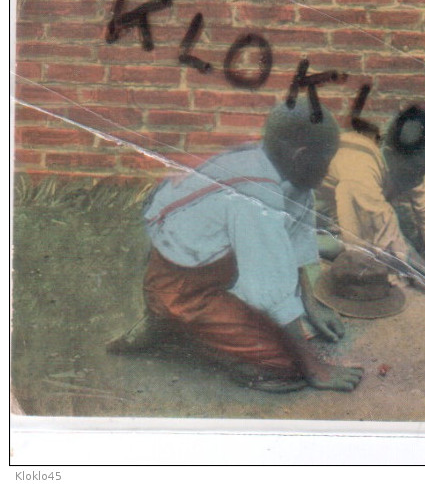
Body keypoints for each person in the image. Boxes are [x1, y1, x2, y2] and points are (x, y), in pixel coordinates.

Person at [107, 98, 363, 394]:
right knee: (286, 365)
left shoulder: (284, 170)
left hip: (212, 260)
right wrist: (315, 368)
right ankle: (172, 322)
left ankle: (173, 320)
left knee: (291, 323)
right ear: (301, 155)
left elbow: (292, 239)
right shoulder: (257, 194)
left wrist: (311, 304)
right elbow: (271, 288)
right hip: (181, 284)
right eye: (326, 159)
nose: (328, 168)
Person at [322, 106, 425, 301]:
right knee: (359, 254)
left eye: (423, 171)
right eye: (413, 173)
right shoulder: (359, 168)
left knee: (387, 250)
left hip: (358, 209)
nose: (418, 180)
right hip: (317, 221)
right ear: (389, 153)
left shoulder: (413, 157)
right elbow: (388, 235)